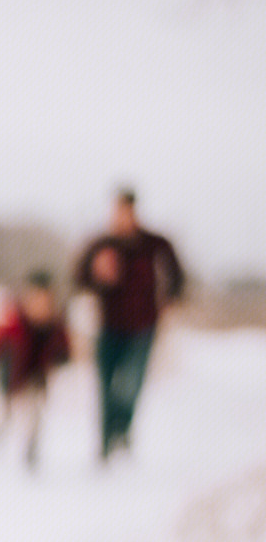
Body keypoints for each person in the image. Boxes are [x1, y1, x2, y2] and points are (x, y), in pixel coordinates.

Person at [74, 188, 186, 459]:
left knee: (130, 385)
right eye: (118, 211)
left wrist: (169, 298)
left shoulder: (154, 244)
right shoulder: (101, 244)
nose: (122, 217)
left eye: (127, 211)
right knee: (105, 387)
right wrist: (97, 273)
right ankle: (104, 446)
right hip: (107, 326)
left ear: (134, 211)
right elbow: (79, 278)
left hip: (143, 327)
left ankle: (122, 429)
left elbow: (177, 277)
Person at [0, 269, 71, 466]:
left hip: (35, 377)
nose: (40, 306)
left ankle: (31, 450)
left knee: (34, 414)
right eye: (35, 300)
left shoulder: (55, 325)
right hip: (11, 376)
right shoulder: (14, 322)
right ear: (27, 299)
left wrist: (63, 356)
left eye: (45, 301)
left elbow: (64, 346)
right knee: (5, 411)